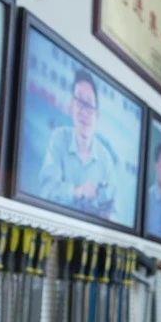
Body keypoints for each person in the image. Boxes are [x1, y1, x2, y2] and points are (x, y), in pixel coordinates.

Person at [37, 69, 118, 218]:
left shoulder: (106, 160)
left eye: (90, 105)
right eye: (80, 102)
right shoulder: (59, 138)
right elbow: (46, 190)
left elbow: (112, 212)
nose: (84, 112)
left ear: (97, 114)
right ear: (71, 107)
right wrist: (77, 192)